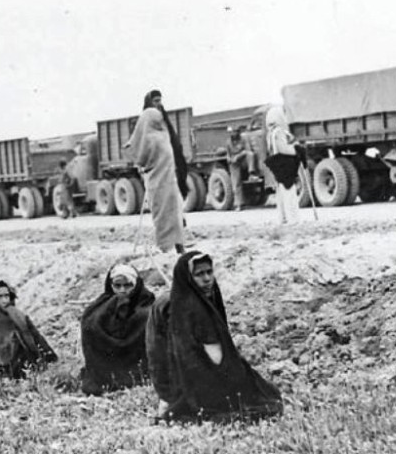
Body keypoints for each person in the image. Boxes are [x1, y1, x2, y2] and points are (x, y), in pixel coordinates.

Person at [146, 251, 283, 424]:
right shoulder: (189, 307)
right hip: (196, 380)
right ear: (188, 277)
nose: (207, 279)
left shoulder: (193, 299)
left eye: (209, 272)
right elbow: (216, 358)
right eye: (199, 274)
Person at [79, 264, 155, 396]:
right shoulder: (99, 308)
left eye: (128, 285)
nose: (122, 290)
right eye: (117, 285)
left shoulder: (147, 308)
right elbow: (90, 327)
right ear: (110, 285)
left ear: (136, 285)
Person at [127, 107, 185, 253]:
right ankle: (179, 245)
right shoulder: (164, 136)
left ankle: (165, 246)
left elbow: (139, 158)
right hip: (171, 182)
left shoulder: (149, 138)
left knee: (162, 215)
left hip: (157, 183)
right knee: (175, 214)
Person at [143, 89, 189, 200]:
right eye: (155, 101)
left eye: (160, 100)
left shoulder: (163, 117)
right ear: (149, 102)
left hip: (170, 164)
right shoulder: (145, 120)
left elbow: (172, 139)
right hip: (157, 167)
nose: (159, 103)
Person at [264, 106, 302, 224]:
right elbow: (284, 149)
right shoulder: (278, 132)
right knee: (289, 193)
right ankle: (293, 219)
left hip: (277, 164)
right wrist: (296, 149)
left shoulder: (270, 134)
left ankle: (283, 218)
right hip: (285, 164)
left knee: (281, 194)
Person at [227, 125, 258, 211]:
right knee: (236, 183)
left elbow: (248, 150)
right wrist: (231, 159)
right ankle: (238, 204)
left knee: (250, 155)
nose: (234, 134)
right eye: (232, 132)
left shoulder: (243, 139)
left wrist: (238, 156)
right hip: (234, 163)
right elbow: (228, 154)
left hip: (243, 159)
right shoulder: (228, 142)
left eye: (236, 132)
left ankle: (251, 173)